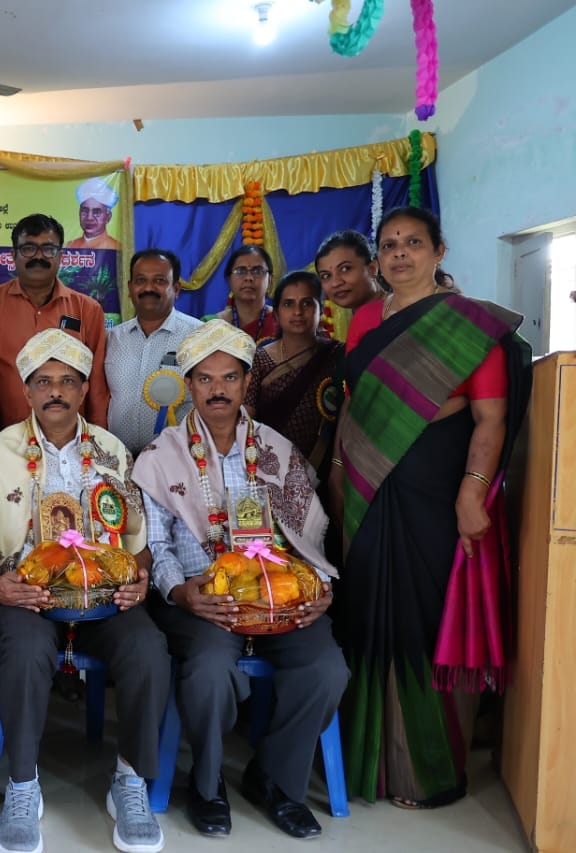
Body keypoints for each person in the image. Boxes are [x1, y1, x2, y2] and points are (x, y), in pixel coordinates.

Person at [330, 207, 531, 809]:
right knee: (365, 615)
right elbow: (353, 404)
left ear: (438, 251)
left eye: (413, 243)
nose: (399, 254)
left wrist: (473, 491)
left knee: (423, 615)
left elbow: (489, 418)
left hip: (434, 493)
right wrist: (339, 472)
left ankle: (428, 769)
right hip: (367, 489)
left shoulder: (467, 323)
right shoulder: (366, 317)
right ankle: (369, 763)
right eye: (389, 245)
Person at [132, 319, 347, 841]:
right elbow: (155, 546)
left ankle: (274, 780)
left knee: (327, 670)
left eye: (229, 377)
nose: (218, 389)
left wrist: (319, 587)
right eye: (204, 379)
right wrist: (181, 593)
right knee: (209, 673)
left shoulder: (277, 451)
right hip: (201, 599)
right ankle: (207, 787)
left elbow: (308, 535)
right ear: (189, 385)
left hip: (279, 597)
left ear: (247, 382)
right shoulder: (162, 457)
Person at [0, 329, 168, 853]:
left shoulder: (111, 450)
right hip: (25, 596)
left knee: (148, 648)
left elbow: (136, 536)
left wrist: (139, 579)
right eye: (43, 382)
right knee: (27, 649)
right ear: (27, 391)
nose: (55, 391)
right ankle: (23, 785)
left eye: (68, 381)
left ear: (83, 391)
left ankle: (129, 780)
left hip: (102, 598)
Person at [0, 213, 110, 429]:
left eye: (49, 249)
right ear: (13, 255)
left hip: (72, 440)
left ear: (60, 256)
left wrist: (98, 435)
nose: (38, 257)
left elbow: (96, 381)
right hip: (8, 438)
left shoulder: (87, 310)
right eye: (28, 248)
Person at [242, 272, 344, 480]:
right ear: (277, 314)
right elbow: (246, 422)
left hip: (323, 470)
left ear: (321, 310)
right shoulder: (259, 360)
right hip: (267, 470)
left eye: (307, 303)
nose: (298, 312)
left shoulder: (338, 355)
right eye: (288, 304)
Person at [105, 248, 203, 456]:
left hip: (177, 460)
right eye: (140, 280)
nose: (148, 287)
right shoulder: (112, 339)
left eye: (159, 280)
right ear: (130, 288)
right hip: (118, 461)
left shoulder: (198, 337)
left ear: (176, 288)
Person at [213, 245, 279, 342]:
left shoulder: (282, 321)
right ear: (229, 280)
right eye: (240, 271)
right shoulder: (213, 325)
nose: (249, 278)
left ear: (270, 280)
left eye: (257, 271)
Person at [64, 177, 120, 250]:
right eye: (85, 211)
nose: (89, 218)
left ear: (108, 217)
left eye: (96, 212)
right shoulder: (69, 247)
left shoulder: (116, 248)